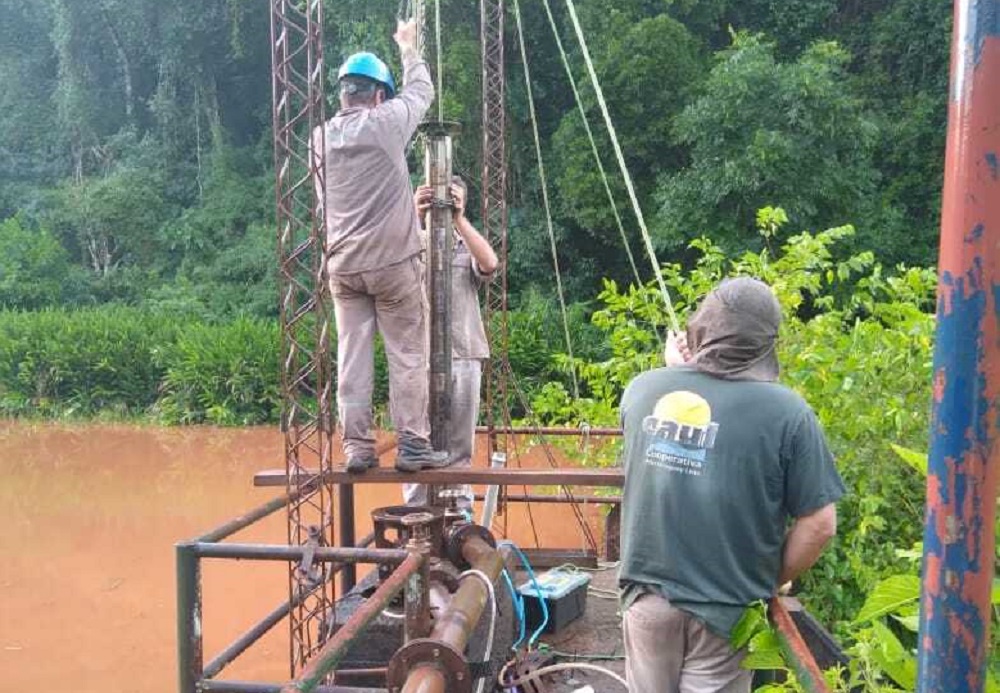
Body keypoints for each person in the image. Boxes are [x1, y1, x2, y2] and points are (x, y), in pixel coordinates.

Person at [618, 277, 845, 693]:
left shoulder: (641, 389)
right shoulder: (790, 413)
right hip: (725, 613)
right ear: (765, 343)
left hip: (646, 601)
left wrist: (678, 373)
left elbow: (683, 431)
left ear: (702, 327)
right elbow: (820, 524)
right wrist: (769, 578)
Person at [315, 19, 448, 473]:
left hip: (343, 266)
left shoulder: (319, 139)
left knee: (352, 357)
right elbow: (421, 91)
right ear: (376, 95)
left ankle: (357, 446)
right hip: (393, 263)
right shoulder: (387, 121)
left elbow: (323, 202)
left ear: (342, 95)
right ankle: (412, 443)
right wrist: (409, 47)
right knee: (407, 354)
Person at [403, 176, 499, 511]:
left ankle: (459, 517)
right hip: (417, 360)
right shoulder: (413, 242)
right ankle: (416, 519)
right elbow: (389, 267)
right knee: (417, 444)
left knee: (460, 445)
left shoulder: (465, 243)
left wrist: (459, 218)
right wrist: (414, 214)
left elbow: (489, 264)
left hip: (464, 353)